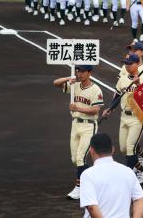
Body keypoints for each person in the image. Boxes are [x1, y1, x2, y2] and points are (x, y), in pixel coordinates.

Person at [53, 65, 104, 200]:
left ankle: (80, 188)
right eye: (78, 71)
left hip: (89, 126)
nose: (79, 74)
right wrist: (69, 78)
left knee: (81, 157)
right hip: (75, 125)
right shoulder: (74, 85)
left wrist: (78, 108)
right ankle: (92, 182)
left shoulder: (95, 89)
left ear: (89, 73)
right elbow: (56, 83)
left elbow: (96, 110)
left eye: (82, 71)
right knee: (75, 159)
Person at [103, 54, 143, 183]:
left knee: (130, 147)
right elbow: (117, 97)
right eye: (126, 64)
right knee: (123, 148)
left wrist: (139, 83)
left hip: (138, 118)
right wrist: (110, 109)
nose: (127, 66)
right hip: (124, 116)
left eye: (129, 63)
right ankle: (141, 169)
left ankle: (128, 178)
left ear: (137, 64)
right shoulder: (122, 79)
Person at [80, 133, 143, 218]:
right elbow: (140, 199)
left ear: (91, 151)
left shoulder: (87, 175)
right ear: (112, 149)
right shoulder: (127, 171)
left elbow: (92, 207)